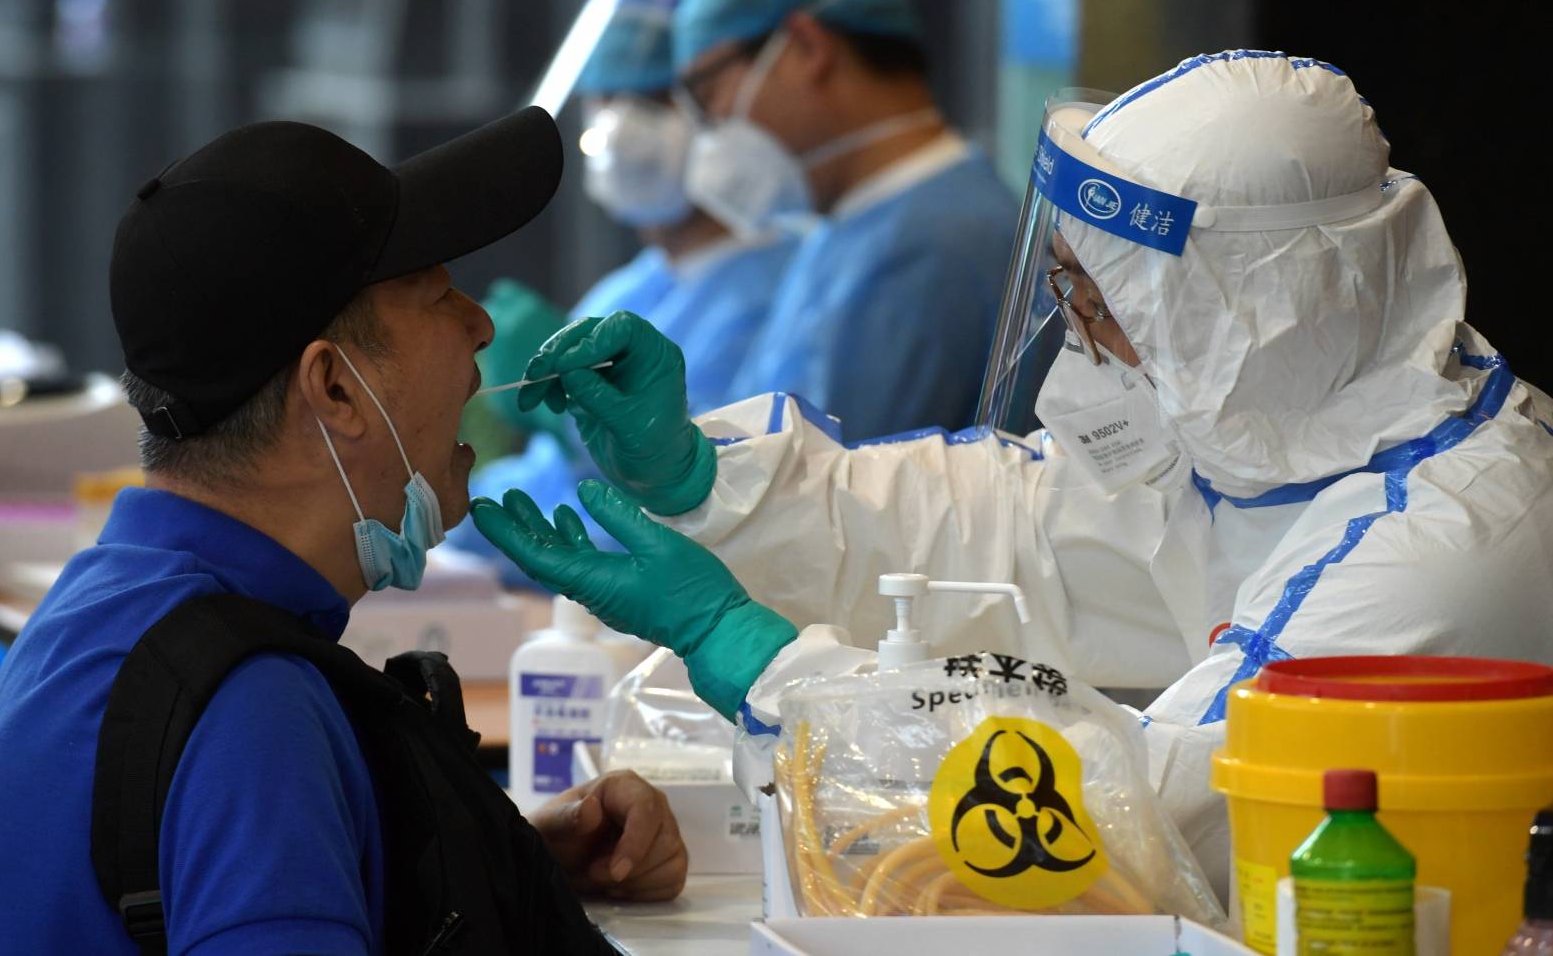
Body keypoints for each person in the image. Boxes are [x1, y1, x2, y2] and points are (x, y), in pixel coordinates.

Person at [469, 51, 1553, 893]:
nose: (1079, 338)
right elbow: (992, 528)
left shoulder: (1437, 549)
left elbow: (1142, 815)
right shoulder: (1269, 438)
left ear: (1251, 315)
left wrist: (757, 660)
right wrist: (706, 479)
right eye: (1067, 288)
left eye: (1104, 301)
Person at [0, 110, 686, 954]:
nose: (482, 325)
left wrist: (495, 860)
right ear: (335, 388)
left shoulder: (116, 606)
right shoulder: (248, 713)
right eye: (439, 293)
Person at [449, 0, 795, 563]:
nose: (622, 131)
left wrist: (579, 412)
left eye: (657, 99)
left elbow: (714, 497)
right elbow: (550, 483)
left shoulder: (776, 287)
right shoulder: (632, 290)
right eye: (607, 98)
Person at [672, 0, 1021, 440]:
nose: (710, 132)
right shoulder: (855, 228)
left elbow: (814, 505)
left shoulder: (931, 250)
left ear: (809, 46)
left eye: (709, 95)